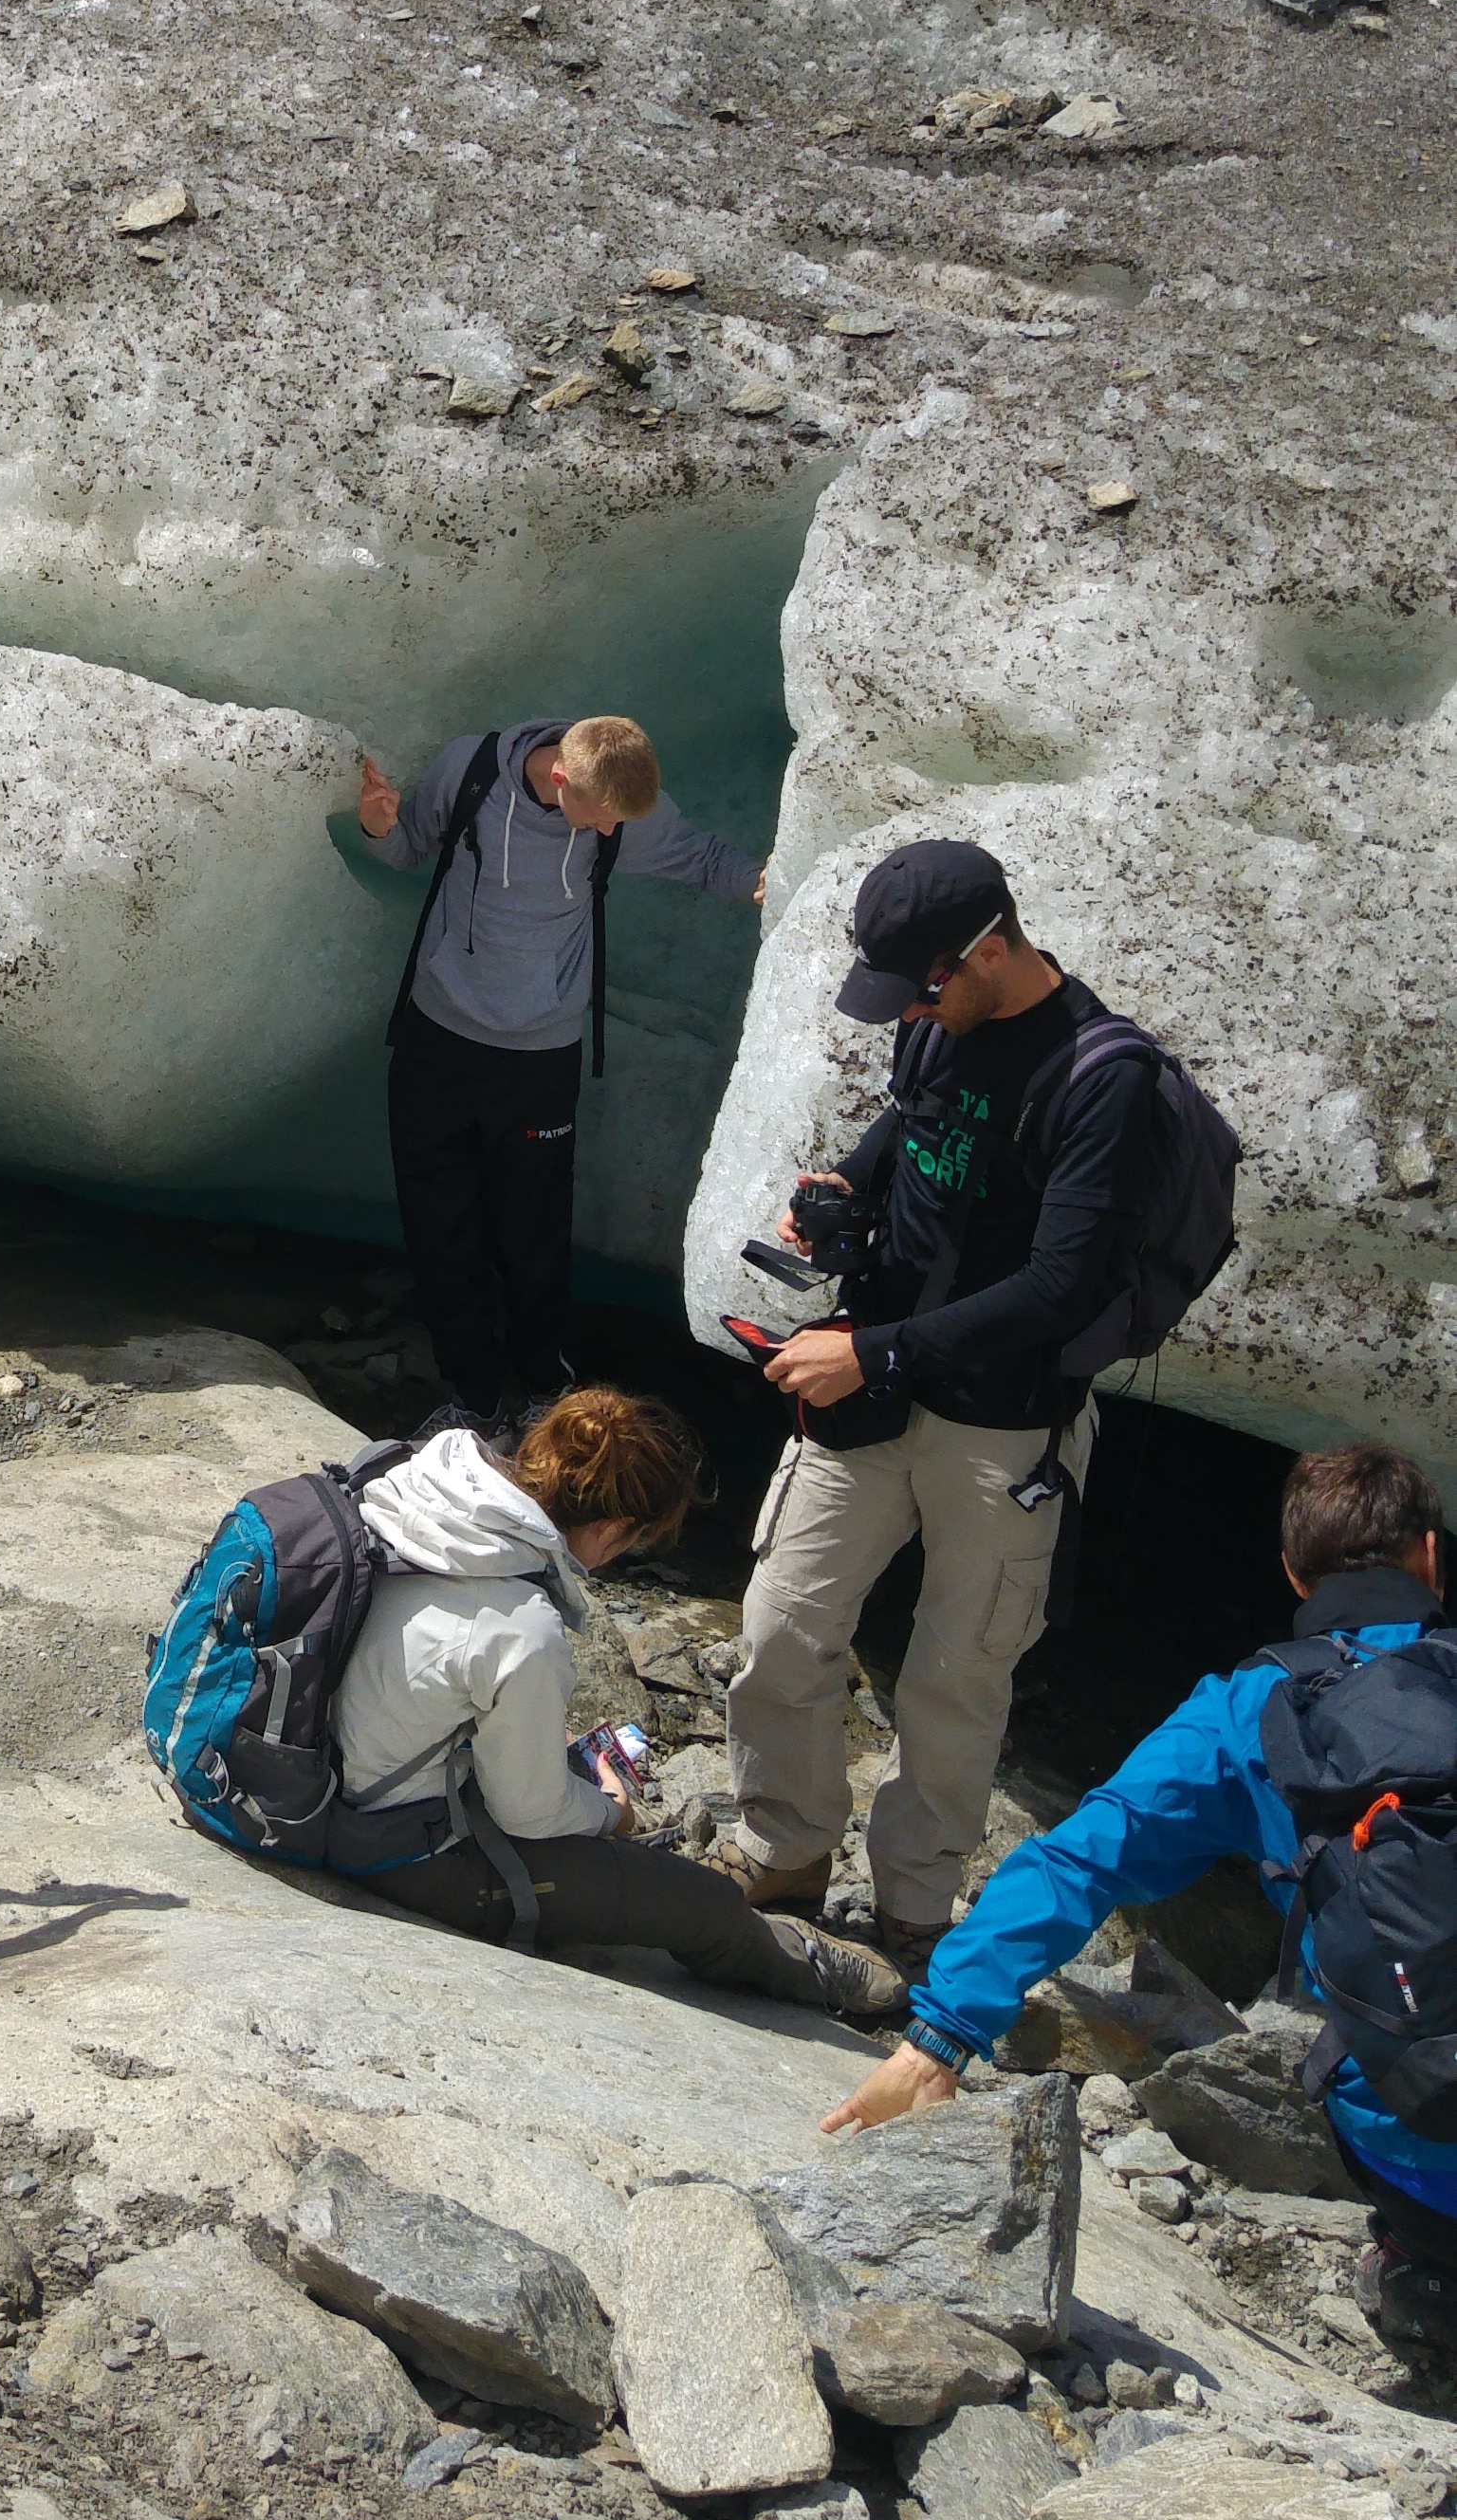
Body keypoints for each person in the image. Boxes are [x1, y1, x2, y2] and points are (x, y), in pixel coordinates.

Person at [819, 1441, 1457, 2363]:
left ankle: (1425, 2268)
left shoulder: (1249, 1711)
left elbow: (1079, 1862)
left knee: (1356, 2061)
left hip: (1420, 2122)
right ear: (1432, 1555)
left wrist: (942, 2033)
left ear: (1292, 1573)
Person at [717, 834, 1161, 1979]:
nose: (910, 1015)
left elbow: (1060, 1284)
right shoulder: (935, 1018)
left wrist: (871, 1350)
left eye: (922, 990)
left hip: (1000, 1419)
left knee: (957, 1674)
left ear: (990, 947)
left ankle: (913, 1912)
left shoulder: (1102, 1075)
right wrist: (842, 1194)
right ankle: (784, 1853)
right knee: (781, 1625)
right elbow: (911, 1130)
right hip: (873, 1384)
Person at [277, 1383, 905, 2028]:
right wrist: (610, 1815)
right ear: (609, 1528)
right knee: (693, 1900)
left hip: (294, 1753)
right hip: (384, 1840)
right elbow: (530, 1815)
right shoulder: (521, 1628)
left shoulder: (419, 1480)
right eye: (634, 1539)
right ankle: (811, 1971)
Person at [353, 709, 763, 1425]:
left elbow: (699, 859)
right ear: (562, 777)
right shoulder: (472, 770)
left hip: (539, 1056)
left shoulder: (623, 810)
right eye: (600, 817)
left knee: (533, 1230)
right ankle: (473, 1400)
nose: (610, 833)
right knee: (440, 1224)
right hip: (438, 1037)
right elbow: (409, 848)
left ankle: (545, 1387)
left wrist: (771, 882)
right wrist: (381, 827)